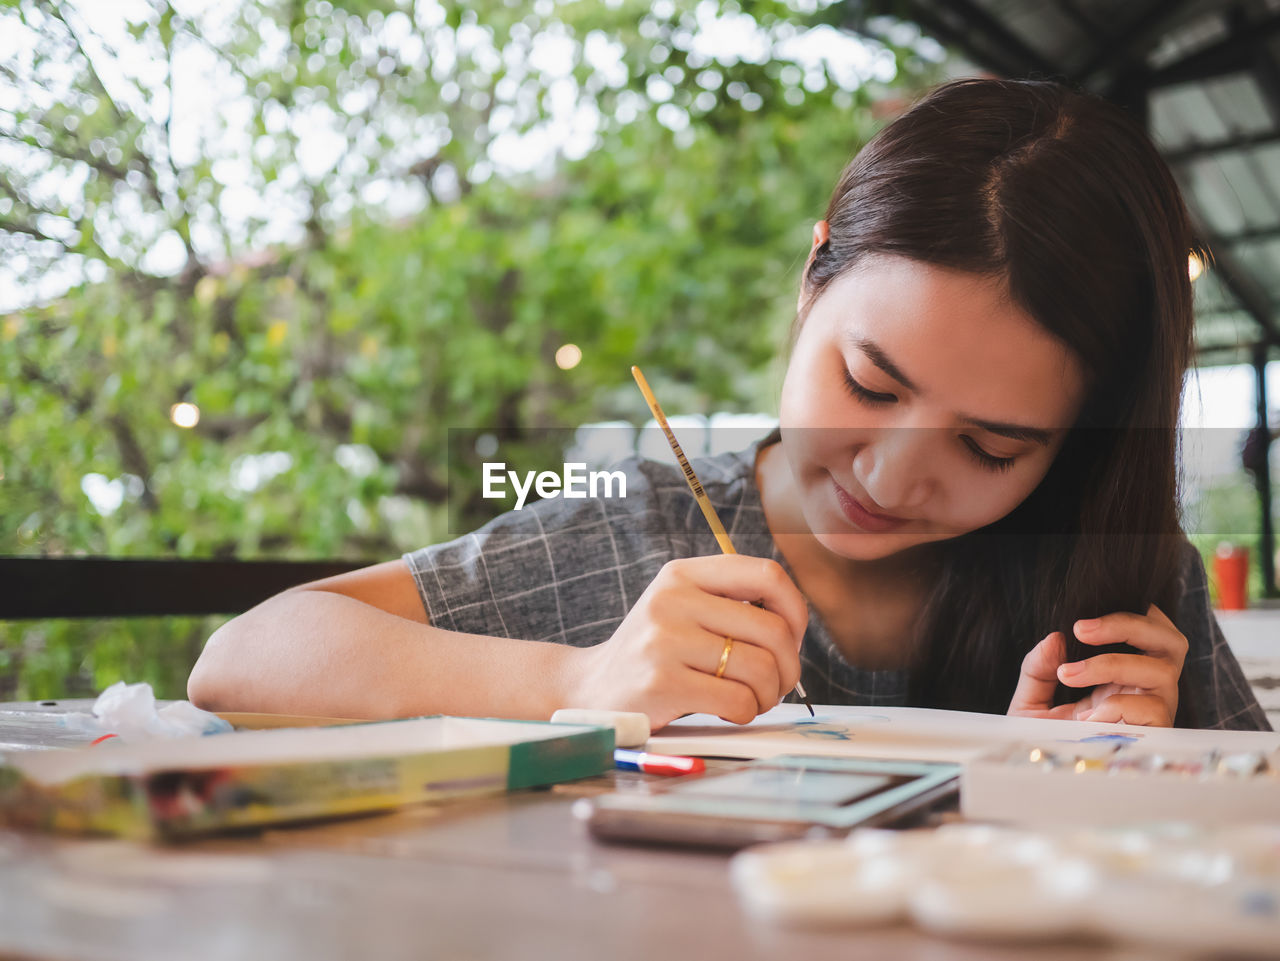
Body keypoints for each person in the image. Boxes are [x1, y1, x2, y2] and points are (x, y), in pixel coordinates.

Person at [187, 78, 1270, 732]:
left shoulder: (1118, 581)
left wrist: (1131, 776)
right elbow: (243, 657)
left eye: (989, 445)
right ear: (812, 278)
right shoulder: (634, 543)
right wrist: (582, 676)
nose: (887, 477)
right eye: (868, 383)